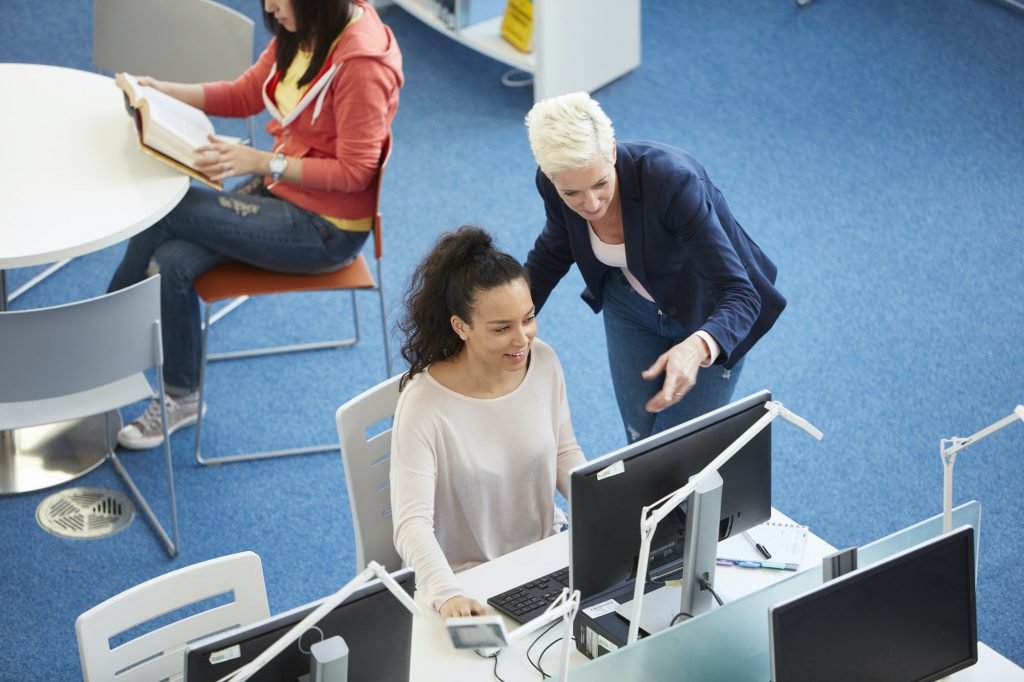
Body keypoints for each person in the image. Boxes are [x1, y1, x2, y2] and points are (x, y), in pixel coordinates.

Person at [108, 0, 403, 449]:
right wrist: (159, 91)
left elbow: (356, 173)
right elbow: (246, 92)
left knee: (168, 208)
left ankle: (103, 352)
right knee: (172, 260)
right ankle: (181, 395)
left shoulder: (362, 67)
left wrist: (265, 161)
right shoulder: (304, 27)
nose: (269, 7)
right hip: (281, 191)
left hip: (324, 228)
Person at [523, 92, 786, 444]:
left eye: (601, 183)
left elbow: (741, 294)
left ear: (613, 151)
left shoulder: (672, 181)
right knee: (639, 440)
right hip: (628, 308)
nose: (591, 203)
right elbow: (554, 251)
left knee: (679, 453)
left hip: (706, 311)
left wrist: (696, 347)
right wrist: (507, 321)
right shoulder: (552, 185)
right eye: (572, 193)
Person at [390, 226, 586, 618]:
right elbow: (411, 524)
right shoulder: (423, 404)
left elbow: (565, 453)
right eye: (502, 328)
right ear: (461, 326)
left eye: (528, 319)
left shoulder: (543, 361)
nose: (522, 339)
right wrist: (448, 594)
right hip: (469, 583)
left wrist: (606, 508)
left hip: (546, 561)